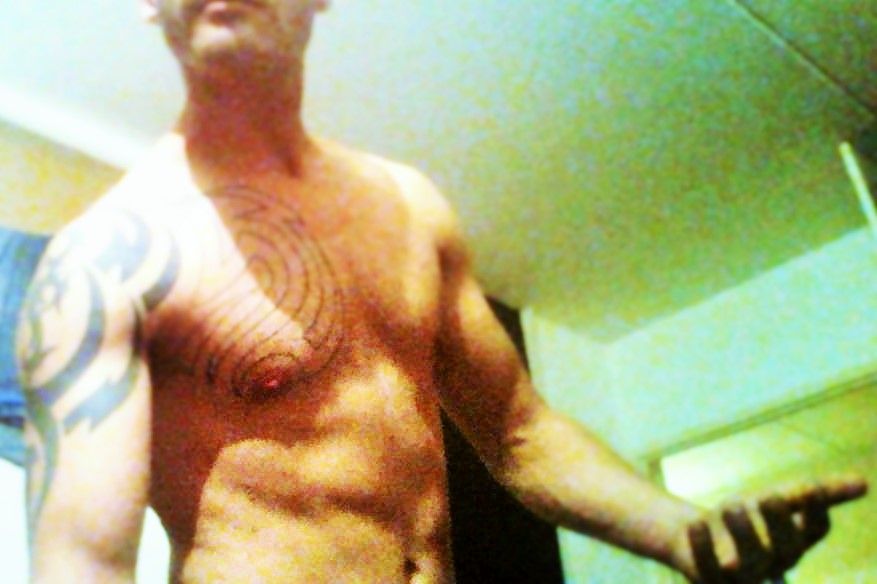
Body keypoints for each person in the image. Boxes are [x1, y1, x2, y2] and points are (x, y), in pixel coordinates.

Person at [16, 1, 866, 582]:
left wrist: (683, 533)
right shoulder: (102, 262)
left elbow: (522, 435)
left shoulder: (410, 207)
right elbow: (84, 563)